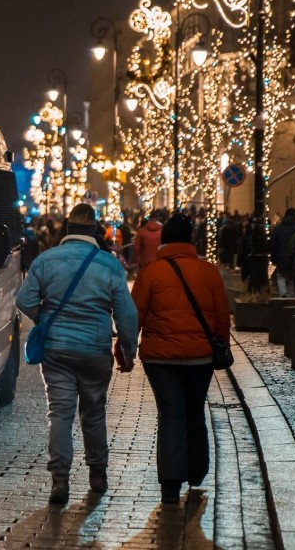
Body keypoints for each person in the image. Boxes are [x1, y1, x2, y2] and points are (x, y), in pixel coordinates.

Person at [16, 203, 139, 505]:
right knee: (94, 414)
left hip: (57, 349)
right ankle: (97, 474)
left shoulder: (46, 260)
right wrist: (128, 349)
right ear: (94, 230)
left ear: (68, 230)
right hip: (95, 349)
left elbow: (24, 299)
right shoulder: (109, 265)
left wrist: (45, 319)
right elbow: (126, 314)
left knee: (60, 413)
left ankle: (60, 479)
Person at [130, 213, 231, 504]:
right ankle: (197, 471)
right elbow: (222, 315)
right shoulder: (209, 272)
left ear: (164, 239)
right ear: (191, 239)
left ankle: (171, 484)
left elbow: (135, 313)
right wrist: (220, 344)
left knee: (171, 413)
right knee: (194, 410)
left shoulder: (151, 272)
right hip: (200, 356)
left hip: (160, 358)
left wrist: (126, 349)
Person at [269, 208, 295, 297]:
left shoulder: (277, 229)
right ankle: (291, 295)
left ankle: (283, 294)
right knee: (292, 278)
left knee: (281, 276)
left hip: (281, 256)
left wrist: (273, 257)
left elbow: (273, 245)